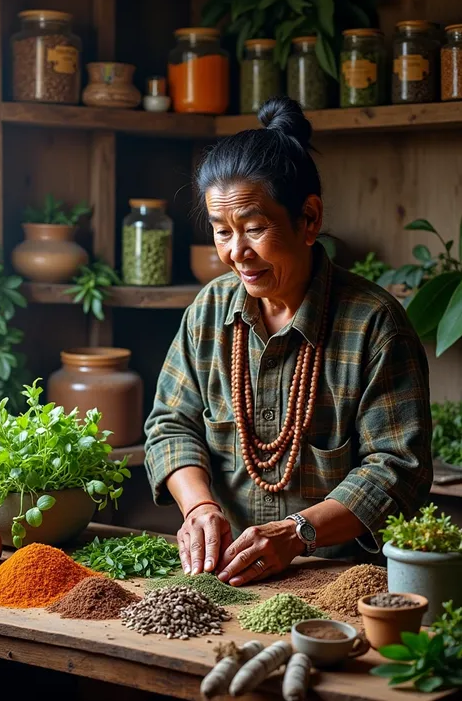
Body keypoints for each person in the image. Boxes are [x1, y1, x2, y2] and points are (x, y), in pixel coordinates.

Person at [145, 96, 433, 587]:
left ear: (309, 219)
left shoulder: (374, 324)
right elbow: (171, 424)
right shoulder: (209, 312)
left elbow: (397, 467)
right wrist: (199, 507)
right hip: (229, 570)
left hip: (341, 576)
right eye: (221, 232)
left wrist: (298, 532)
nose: (237, 252)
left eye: (255, 228)